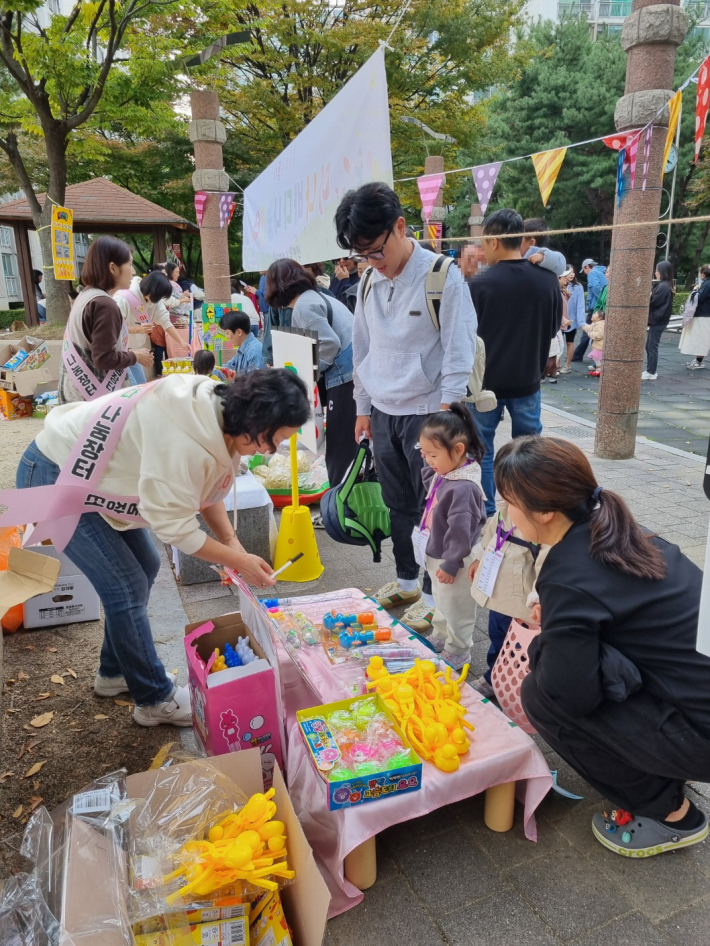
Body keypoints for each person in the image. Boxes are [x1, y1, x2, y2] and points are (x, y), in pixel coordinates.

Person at [10, 370, 310, 726]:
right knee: (125, 586)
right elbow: (178, 531)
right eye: (273, 440)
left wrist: (233, 544)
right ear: (255, 421)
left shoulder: (219, 411)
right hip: (58, 474)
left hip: (94, 477)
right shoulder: (183, 440)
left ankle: (114, 672)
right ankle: (153, 698)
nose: (270, 450)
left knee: (146, 567)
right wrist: (239, 560)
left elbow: (205, 489)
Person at [493, 435, 710, 857]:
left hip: (703, 732)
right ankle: (663, 766)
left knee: (540, 695)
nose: (505, 513)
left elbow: (570, 695)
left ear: (546, 512)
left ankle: (671, 814)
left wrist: (546, 640)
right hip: (697, 698)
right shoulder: (624, 531)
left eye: (509, 502)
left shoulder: (568, 573)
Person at [335, 182, 476, 633]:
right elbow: (362, 348)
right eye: (363, 256)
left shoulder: (442, 276)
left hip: (426, 411)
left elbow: (459, 352)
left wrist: (444, 415)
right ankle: (405, 580)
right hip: (382, 409)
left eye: (376, 251)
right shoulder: (370, 281)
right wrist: (362, 406)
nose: (373, 262)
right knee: (396, 503)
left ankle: (435, 595)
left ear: (400, 227)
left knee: (434, 506)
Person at [468, 208, 562, 516]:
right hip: (527, 382)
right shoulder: (547, 281)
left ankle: (488, 512)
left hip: (484, 387)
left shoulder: (479, 285)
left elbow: (465, 338)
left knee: (481, 450)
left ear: (494, 240)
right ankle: (526, 511)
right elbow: (552, 330)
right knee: (528, 451)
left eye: (484, 242)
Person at [265, 258, 358, 490]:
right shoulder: (320, 296)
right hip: (356, 375)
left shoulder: (304, 306)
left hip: (346, 378)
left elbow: (329, 344)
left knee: (340, 450)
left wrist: (309, 375)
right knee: (349, 444)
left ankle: (340, 505)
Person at [417, 405, 487, 671]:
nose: (428, 461)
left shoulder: (463, 486)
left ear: (458, 450)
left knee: (456, 605)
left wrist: (450, 563)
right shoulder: (448, 473)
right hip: (440, 550)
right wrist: (433, 465)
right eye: (424, 453)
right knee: (440, 597)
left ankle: (459, 649)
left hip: (456, 557)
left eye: (432, 455)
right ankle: (441, 635)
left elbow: (460, 531)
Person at [58, 236, 152, 404]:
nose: (133, 271)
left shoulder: (86, 296)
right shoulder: (104, 305)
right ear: (113, 268)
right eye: (130, 264)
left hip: (76, 396)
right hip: (96, 402)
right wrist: (135, 356)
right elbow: (103, 358)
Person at [468, 501, 545, 699]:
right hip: (498, 590)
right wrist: (478, 558)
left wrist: (540, 596)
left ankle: (522, 685)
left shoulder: (541, 518)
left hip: (522, 599)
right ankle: (494, 676)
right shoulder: (504, 509)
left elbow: (548, 561)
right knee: (497, 635)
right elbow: (490, 536)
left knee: (520, 645)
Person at [115, 271, 191, 384]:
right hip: (119, 352)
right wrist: (138, 329)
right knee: (132, 386)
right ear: (153, 290)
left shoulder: (154, 300)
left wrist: (181, 342)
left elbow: (165, 322)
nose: (160, 299)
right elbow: (114, 328)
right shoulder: (123, 298)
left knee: (141, 384)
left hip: (134, 350)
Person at [643, 260, 674, 381]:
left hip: (658, 320)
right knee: (650, 346)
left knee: (651, 346)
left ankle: (651, 371)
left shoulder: (663, 286)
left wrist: (649, 296)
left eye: (657, 270)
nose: (655, 273)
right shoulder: (665, 285)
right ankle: (650, 370)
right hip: (658, 320)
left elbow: (653, 302)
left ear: (662, 272)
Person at [572, 259, 607, 362]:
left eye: (584, 270)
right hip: (601, 308)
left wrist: (599, 303)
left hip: (596, 308)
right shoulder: (601, 272)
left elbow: (596, 288)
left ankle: (578, 355)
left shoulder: (592, 273)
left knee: (588, 330)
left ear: (587, 266)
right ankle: (596, 356)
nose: (584, 273)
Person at [680, 264, 710, 369]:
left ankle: (699, 361)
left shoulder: (707, 284)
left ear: (703, 274)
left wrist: (694, 291)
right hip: (705, 314)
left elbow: (700, 298)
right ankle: (698, 360)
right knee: (703, 338)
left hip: (704, 314)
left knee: (702, 338)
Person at [559, 267, 585, 373]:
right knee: (559, 342)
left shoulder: (577, 287)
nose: (571, 274)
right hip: (559, 319)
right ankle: (557, 364)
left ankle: (568, 365)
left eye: (573, 272)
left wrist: (581, 321)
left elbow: (580, 305)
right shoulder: (558, 287)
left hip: (571, 319)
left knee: (570, 342)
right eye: (568, 273)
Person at [582, 311, 605, 377]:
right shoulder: (595, 323)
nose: (593, 314)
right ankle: (598, 366)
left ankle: (599, 368)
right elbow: (589, 328)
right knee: (598, 357)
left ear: (599, 318)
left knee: (596, 357)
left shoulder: (600, 325)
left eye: (595, 314)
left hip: (600, 345)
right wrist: (582, 325)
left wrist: (590, 334)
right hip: (598, 345)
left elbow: (600, 335)